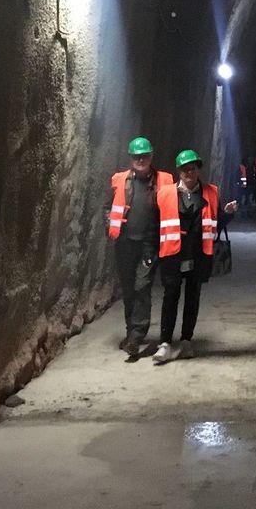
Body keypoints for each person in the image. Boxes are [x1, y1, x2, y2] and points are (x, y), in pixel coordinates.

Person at [153, 150, 238, 364]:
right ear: (179, 171)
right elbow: (155, 225)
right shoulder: (164, 194)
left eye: (193, 168)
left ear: (198, 169)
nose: (189, 172)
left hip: (198, 254)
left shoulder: (210, 193)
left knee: (193, 297)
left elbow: (216, 224)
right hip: (172, 254)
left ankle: (186, 341)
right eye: (185, 169)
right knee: (170, 297)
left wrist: (226, 213)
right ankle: (165, 343)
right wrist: (152, 252)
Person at [105, 136, 175, 356]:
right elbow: (108, 206)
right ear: (131, 158)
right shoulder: (121, 181)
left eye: (144, 155)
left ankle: (136, 336)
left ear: (151, 156)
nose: (141, 159)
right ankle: (131, 333)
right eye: (137, 156)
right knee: (128, 289)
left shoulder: (163, 182)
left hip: (149, 245)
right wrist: (108, 220)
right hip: (125, 245)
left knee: (141, 287)